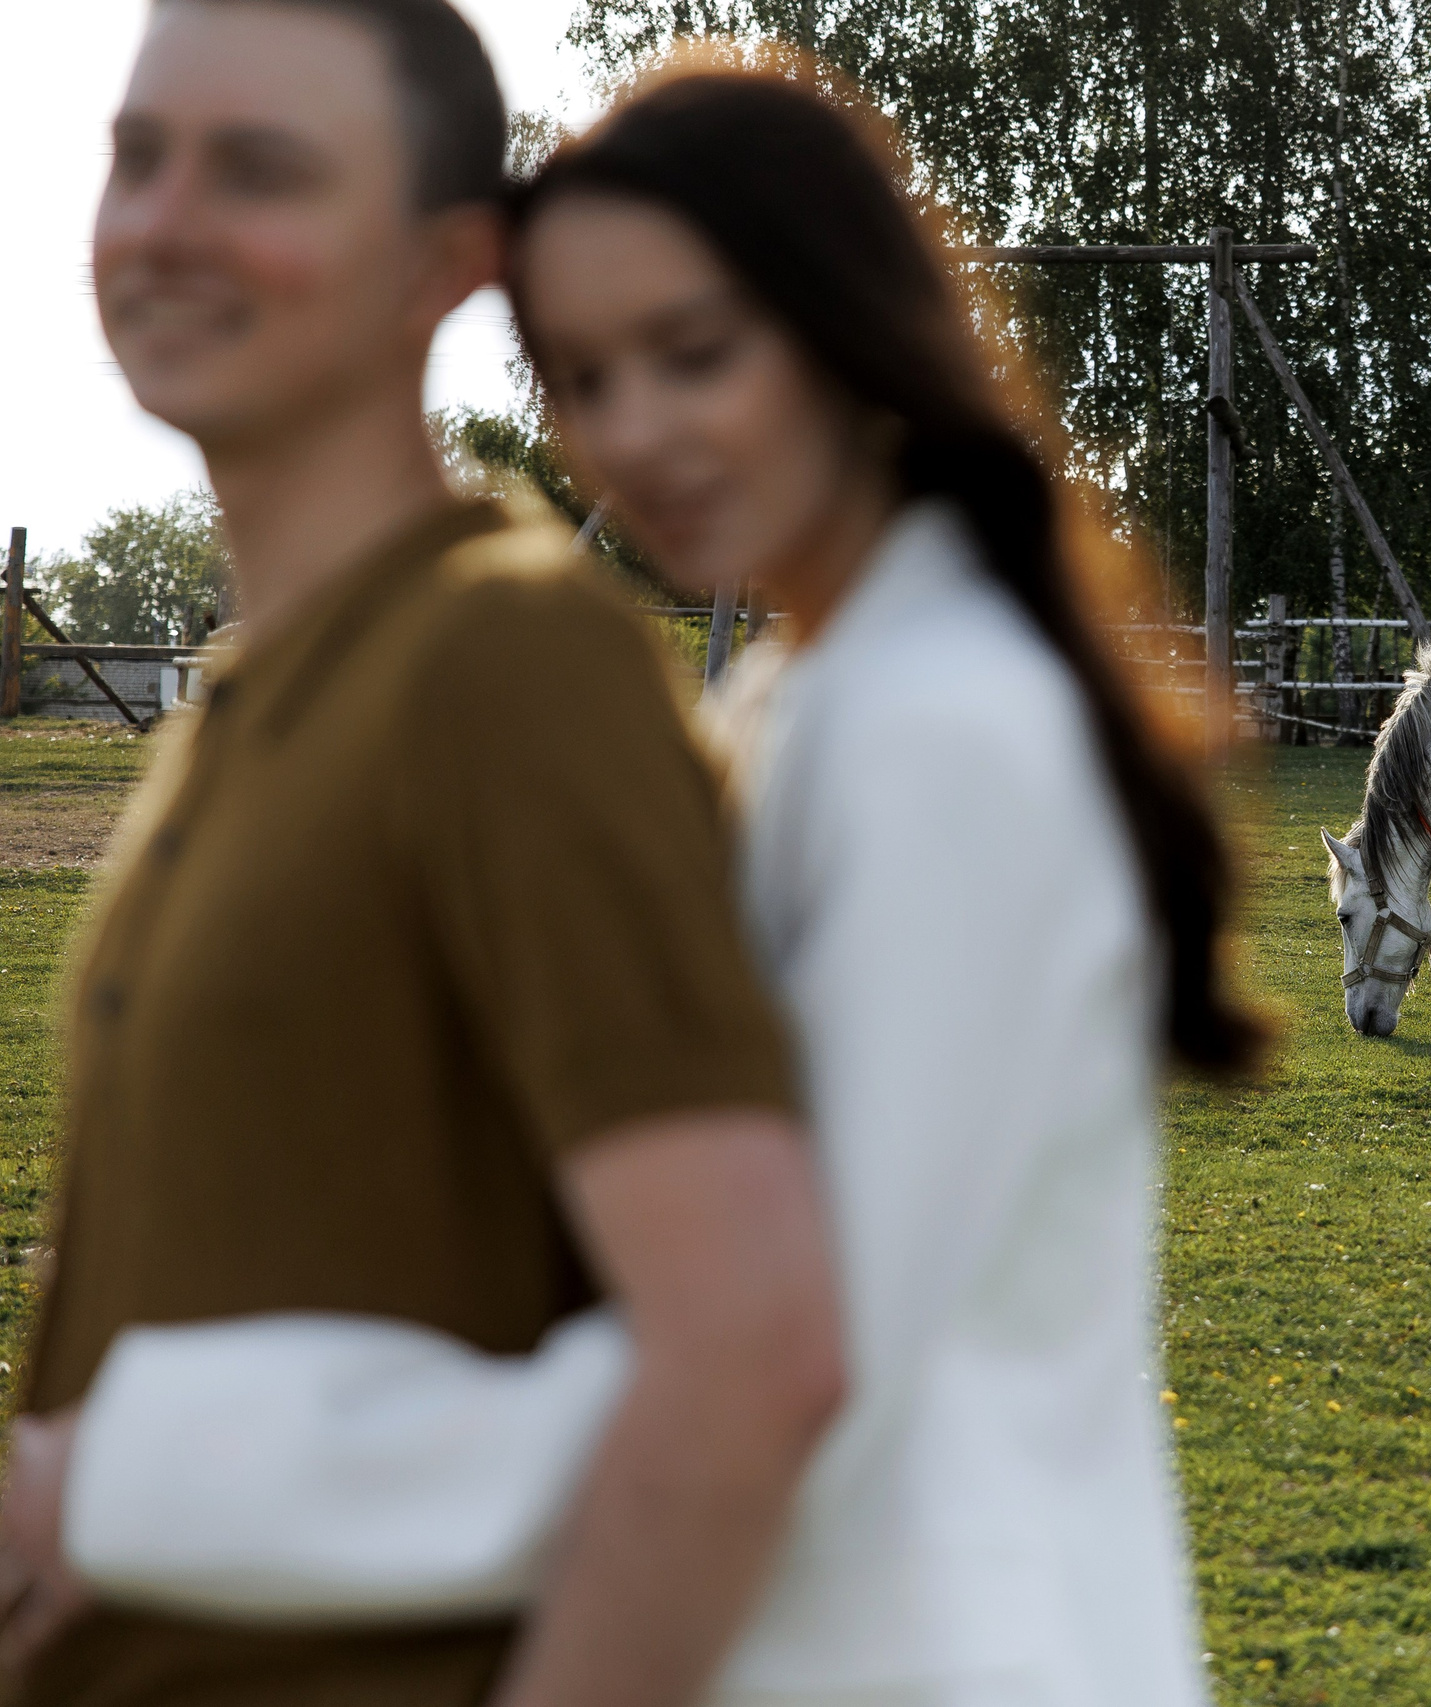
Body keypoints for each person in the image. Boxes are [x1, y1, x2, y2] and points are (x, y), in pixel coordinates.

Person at [9, 55, 1268, 1707]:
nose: (634, 435)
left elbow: (784, 1363)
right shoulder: (804, 695)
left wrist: (139, 1477)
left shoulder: (943, 732)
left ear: (841, 323)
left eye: (695, 354)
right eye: (583, 378)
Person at [0, 5, 850, 1706]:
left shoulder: (503, 660)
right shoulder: (258, 686)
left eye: (261, 170)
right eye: (136, 156)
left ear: (447, 266)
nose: (165, 220)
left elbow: (751, 1356)